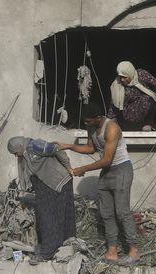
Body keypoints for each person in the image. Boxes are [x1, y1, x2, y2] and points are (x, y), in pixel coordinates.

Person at [56, 103, 139, 264]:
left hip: (121, 170)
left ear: (98, 118)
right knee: (106, 213)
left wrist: (83, 169)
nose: (86, 124)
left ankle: (134, 251)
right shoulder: (92, 127)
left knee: (122, 212)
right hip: (107, 172)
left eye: (88, 122)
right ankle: (112, 251)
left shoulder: (112, 128)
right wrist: (69, 146)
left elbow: (107, 160)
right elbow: (90, 148)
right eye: (85, 122)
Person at [7, 136, 76, 261]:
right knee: (54, 214)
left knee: (50, 216)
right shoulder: (27, 151)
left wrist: (69, 167)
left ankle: (49, 250)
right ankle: (63, 246)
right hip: (47, 184)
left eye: (15, 152)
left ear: (18, 146)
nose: (16, 156)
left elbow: (57, 149)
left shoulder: (35, 146)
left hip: (57, 181)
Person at [107, 61, 156, 131]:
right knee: (147, 97)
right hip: (130, 117)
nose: (122, 80)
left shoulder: (141, 74)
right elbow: (114, 105)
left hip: (148, 107)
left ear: (130, 73)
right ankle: (148, 124)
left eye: (125, 77)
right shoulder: (117, 85)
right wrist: (109, 123)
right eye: (120, 77)